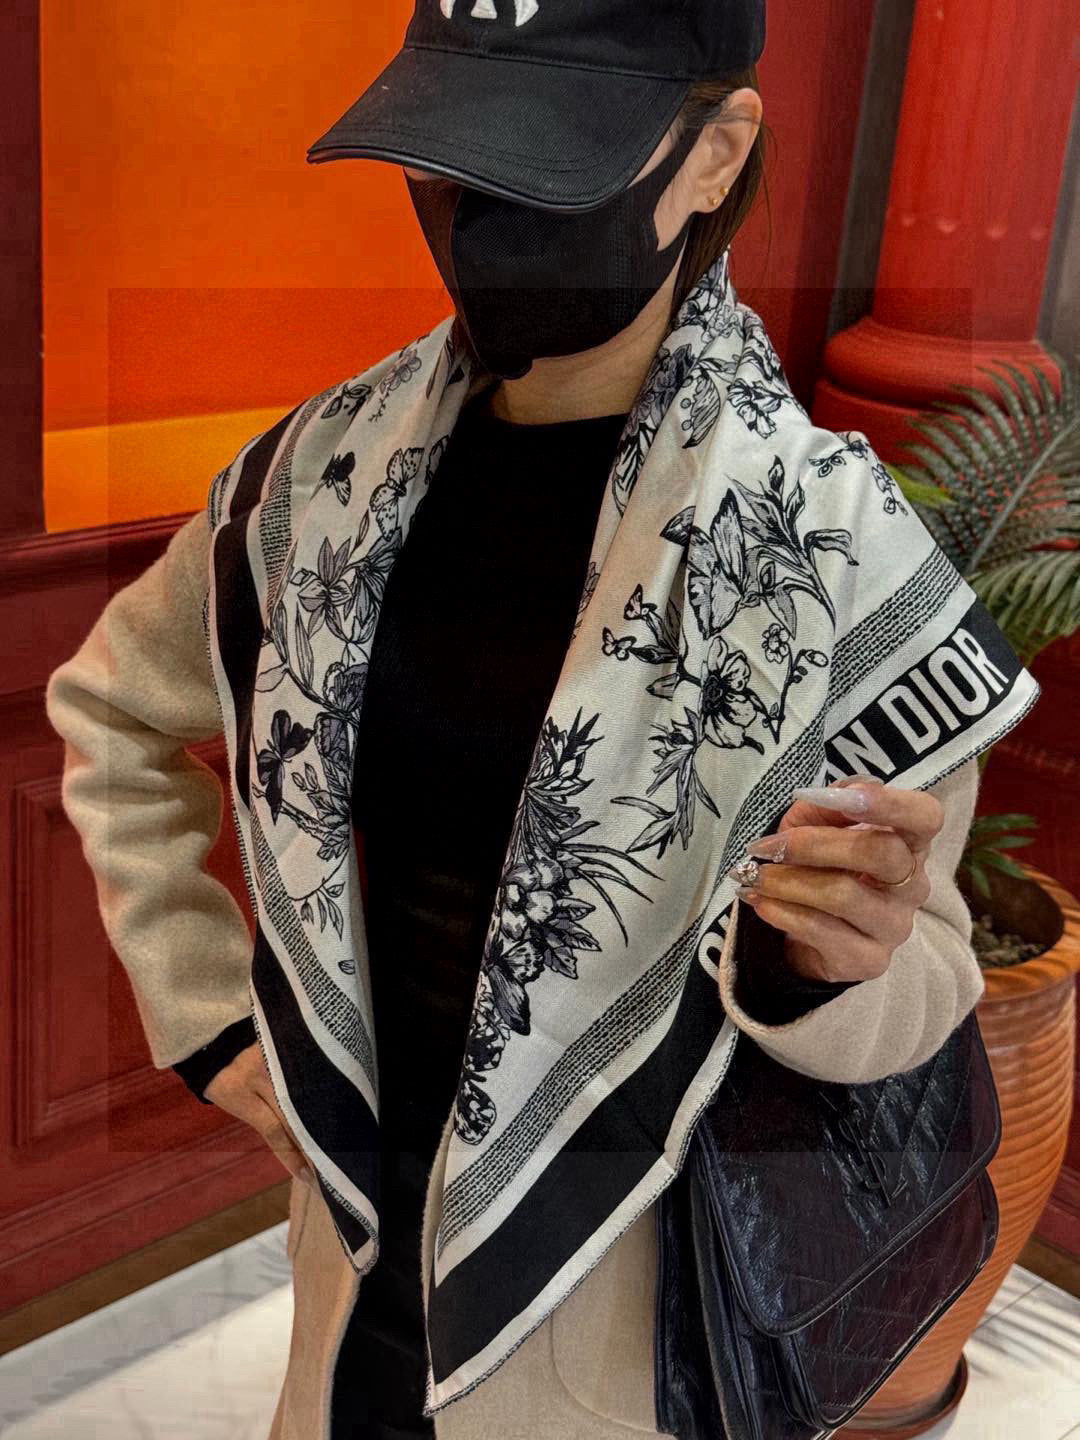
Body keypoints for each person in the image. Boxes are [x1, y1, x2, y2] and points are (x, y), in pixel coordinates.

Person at [45, 2, 1033, 1437]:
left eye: (545, 165)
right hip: (354, 1235)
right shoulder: (322, 483)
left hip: (623, 1296)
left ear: (712, 156)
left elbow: (924, 984)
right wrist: (204, 1017)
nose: (479, 219)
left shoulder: (831, 561)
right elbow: (112, 718)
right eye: (446, 162)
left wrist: (832, 967)